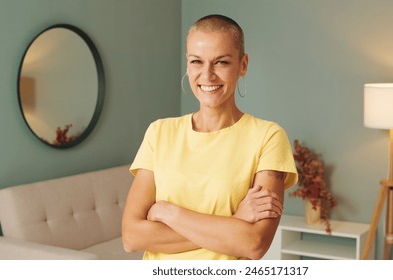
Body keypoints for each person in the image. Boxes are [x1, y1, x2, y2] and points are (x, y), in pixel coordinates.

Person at [121, 14, 298, 260]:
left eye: (221, 62)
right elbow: (132, 237)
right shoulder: (159, 132)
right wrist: (234, 222)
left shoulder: (268, 137)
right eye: (196, 61)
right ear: (187, 64)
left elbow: (254, 243)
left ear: (243, 65)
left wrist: (170, 214)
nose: (207, 75)